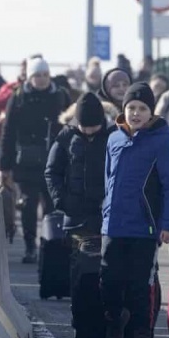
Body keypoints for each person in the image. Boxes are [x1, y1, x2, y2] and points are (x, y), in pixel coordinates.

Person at [100, 83, 169, 338]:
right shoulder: (114, 139)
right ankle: (114, 321)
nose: (136, 113)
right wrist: (105, 212)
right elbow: (108, 180)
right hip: (113, 224)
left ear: (151, 112)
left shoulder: (162, 141)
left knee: (139, 285)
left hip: (145, 227)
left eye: (142, 108)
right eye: (131, 108)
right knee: (108, 281)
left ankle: (141, 337)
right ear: (124, 110)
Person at [0, 57, 69, 263]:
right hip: (26, 162)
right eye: (37, 75)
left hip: (55, 160)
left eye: (45, 75)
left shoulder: (60, 95)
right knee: (28, 205)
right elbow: (8, 132)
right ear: (30, 77)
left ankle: (49, 245)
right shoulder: (18, 97)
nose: (42, 79)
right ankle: (30, 246)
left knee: (52, 206)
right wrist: (5, 165)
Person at [45, 92, 113, 301]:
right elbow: (52, 171)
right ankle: (81, 310)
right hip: (76, 216)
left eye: (94, 127)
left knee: (106, 266)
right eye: (85, 127)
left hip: (107, 215)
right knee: (81, 265)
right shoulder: (66, 137)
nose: (89, 132)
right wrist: (62, 201)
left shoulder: (114, 136)